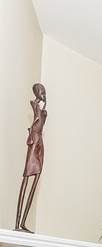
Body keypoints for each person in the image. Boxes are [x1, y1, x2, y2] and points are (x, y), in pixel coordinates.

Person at [15, 83, 47, 233]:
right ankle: (18, 223)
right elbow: (36, 120)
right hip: (34, 140)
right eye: (42, 92)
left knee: (37, 177)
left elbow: (41, 120)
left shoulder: (41, 108)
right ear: (37, 92)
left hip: (40, 141)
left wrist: (44, 106)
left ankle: (23, 222)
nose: (44, 95)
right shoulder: (34, 105)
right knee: (26, 178)